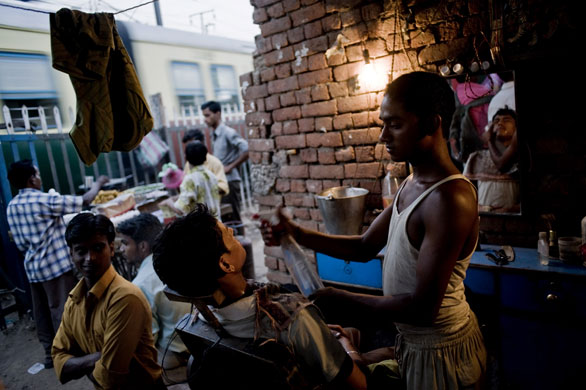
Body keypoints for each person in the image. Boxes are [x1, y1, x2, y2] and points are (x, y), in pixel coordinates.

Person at [262, 71, 487, 389]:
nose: (383, 136)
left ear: (431, 124)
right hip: (415, 343)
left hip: (443, 350)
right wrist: (296, 233)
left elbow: (424, 309)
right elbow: (366, 246)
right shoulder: (411, 183)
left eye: (394, 124)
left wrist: (341, 299)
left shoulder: (449, 198)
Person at [152, 204, 367, 389]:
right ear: (226, 264)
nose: (234, 234)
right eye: (229, 234)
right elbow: (360, 385)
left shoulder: (199, 322)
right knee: (359, 338)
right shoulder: (293, 319)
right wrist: (347, 346)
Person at [6, 159, 108, 368]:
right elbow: (84, 201)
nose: (40, 178)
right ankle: (72, 353)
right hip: (54, 266)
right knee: (64, 309)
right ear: (32, 179)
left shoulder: (11, 206)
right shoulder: (41, 200)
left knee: (42, 312)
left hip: (33, 267)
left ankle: (49, 353)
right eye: (37, 173)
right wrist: (98, 183)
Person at [53, 213, 164, 389]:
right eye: (81, 251)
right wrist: (97, 358)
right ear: (71, 254)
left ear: (111, 248)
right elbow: (58, 358)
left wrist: (80, 361)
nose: (90, 258)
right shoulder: (75, 299)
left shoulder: (126, 298)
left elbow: (110, 377)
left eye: (98, 248)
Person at [117, 213, 191, 370]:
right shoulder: (179, 257)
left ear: (143, 246)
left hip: (177, 353)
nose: (121, 249)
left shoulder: (141, 284)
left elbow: (149, 338)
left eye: (125, 243)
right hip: (200, 340)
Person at [464, 107, 520, 213]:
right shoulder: (477, 157)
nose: (500, 123)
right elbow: (466, 194)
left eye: (506, 120)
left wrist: (511, 209)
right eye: (496, 121)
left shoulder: (520, 158)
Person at [201, 100, 249, 222]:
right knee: (226, 218)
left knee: (234, 217)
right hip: (222, 182)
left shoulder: (228, 132)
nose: (205, 119)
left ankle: (241, 241)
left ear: (218, 114)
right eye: (204, 116)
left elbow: (247, 150)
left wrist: (231, 166)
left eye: (207, 115)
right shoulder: (215, 134)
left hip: (231, 181)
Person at [160, 141, 222, 219]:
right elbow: (200, 194)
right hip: (217, 223)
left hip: (201, 227)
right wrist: (175, 197)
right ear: (205, 157)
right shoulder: (211, 175)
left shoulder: (190, 179)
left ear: (185, 157)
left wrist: (168, 202)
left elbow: (180, 210)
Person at [182, 128, 229, 196]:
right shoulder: (188, 164)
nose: (190, 150)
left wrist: (203, 188)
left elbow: (223, 187)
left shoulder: (214, 162)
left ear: (202, 143)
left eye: (193, 146)